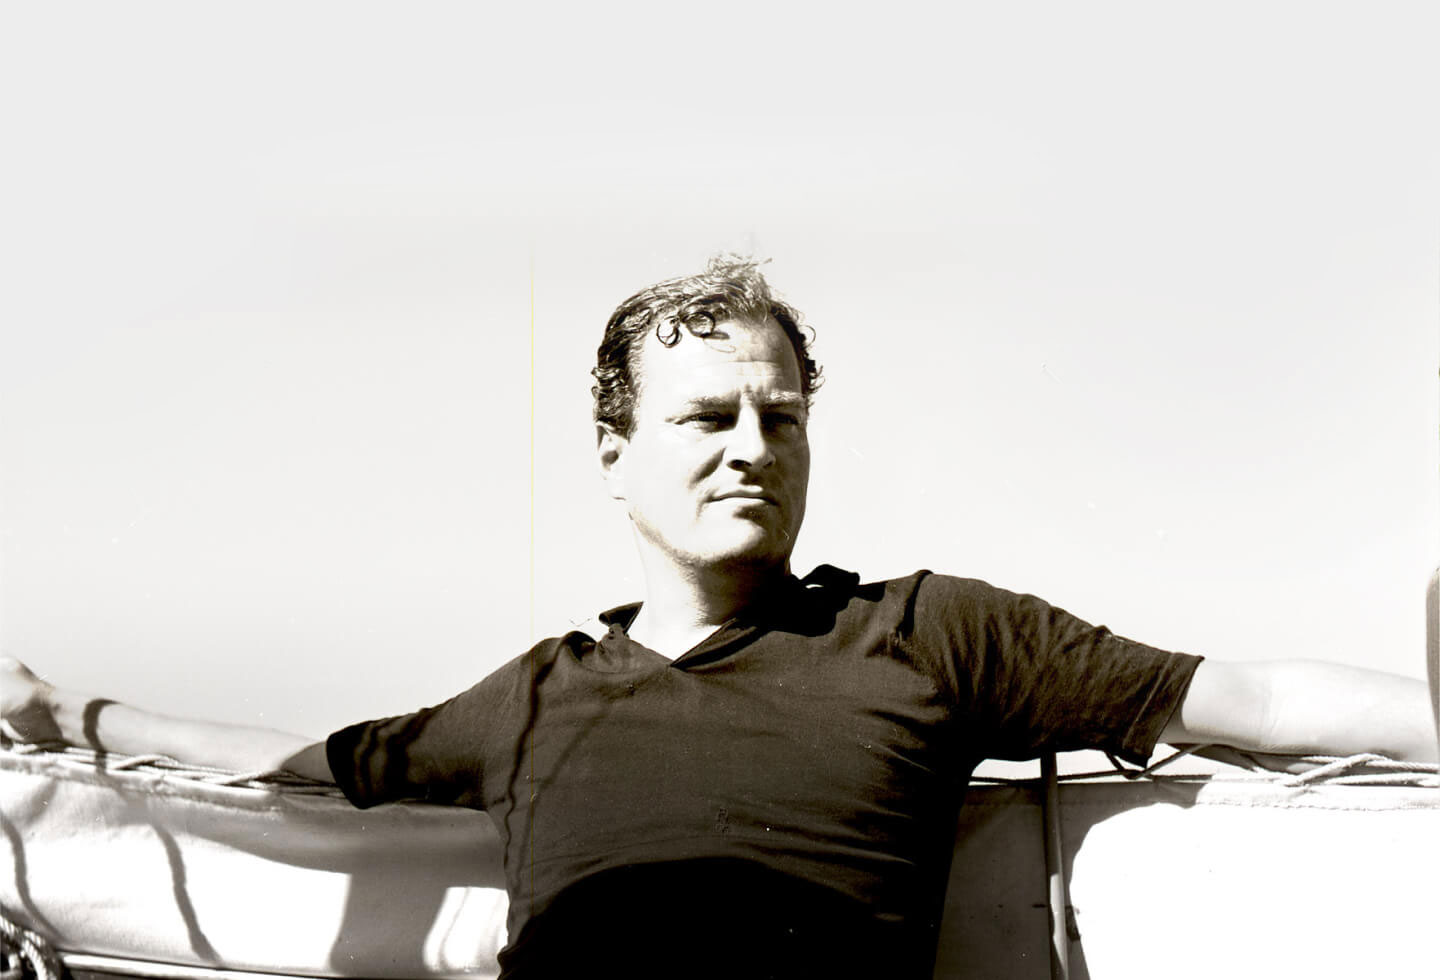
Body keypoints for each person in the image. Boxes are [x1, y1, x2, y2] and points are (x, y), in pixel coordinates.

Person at [2, 257, 1435, 979]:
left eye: (782, 418)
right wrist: (72, 716)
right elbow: (305, 764)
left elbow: (1249, 701)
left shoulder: (931, 630)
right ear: (616, 457)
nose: (753, 447)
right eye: (708, 418)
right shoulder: (540, 694)